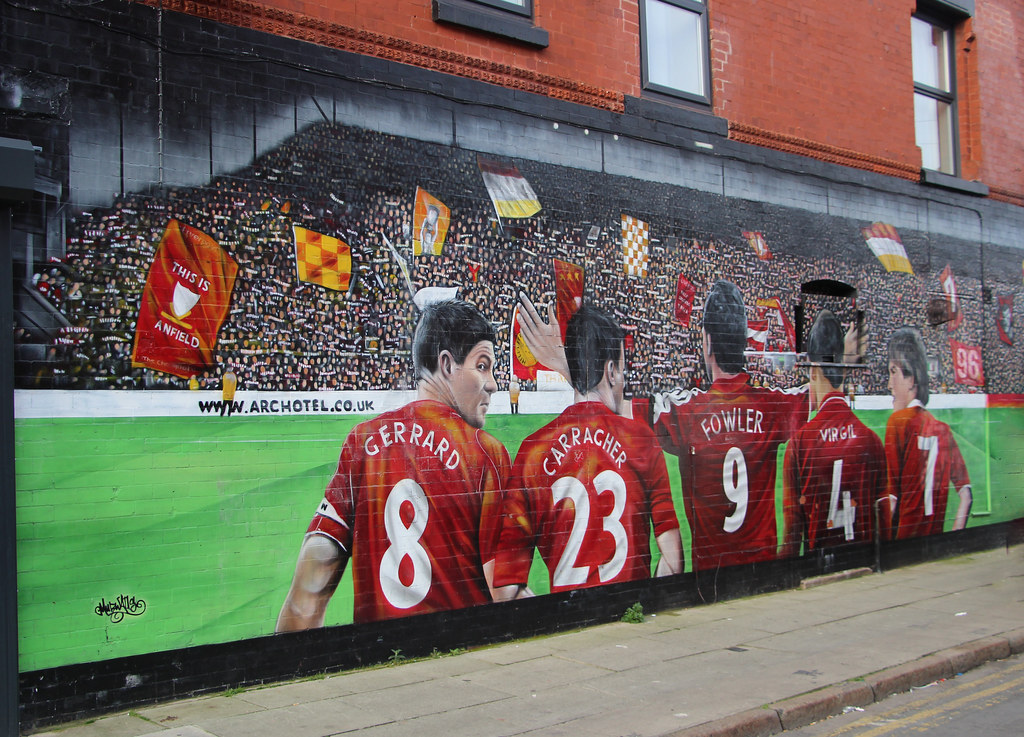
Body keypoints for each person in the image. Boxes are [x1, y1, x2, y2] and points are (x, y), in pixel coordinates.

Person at [276, 299, 510, 629]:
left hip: (376, 663)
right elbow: (503, 592)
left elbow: (308, 595)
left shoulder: (362, 442)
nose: (493, 384)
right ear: (446, 365)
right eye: (483, 365)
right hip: (460, 661)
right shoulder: (484, 454)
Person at [492, 304, 682, 600]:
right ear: (611, 371)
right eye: (622, 369)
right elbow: (673, 561)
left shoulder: (532, 452)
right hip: (631, 615)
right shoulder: (641, 440)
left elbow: (506, 587)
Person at [642, 280, 808, 571]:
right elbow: (815, 393)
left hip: (710, 583)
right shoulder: (772, 406)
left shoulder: (684, 412)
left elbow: (621, 405)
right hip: (764, 581)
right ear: (744, 342)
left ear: (706, 341)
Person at [781, 310, 885, 562]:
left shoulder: (799, 444)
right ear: (844, 366)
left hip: (819, 565)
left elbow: (792, 536)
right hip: (864, 567)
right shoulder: (871, 441)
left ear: (813, 370)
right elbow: (885, 522)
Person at [883, 327, 972, 539]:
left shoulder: (898, 423)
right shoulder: (943, 430)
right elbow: (966, 497)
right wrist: (954, 538)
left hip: (904, 546)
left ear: (911, 379)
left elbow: (891, 501)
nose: (889, 385)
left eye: (893, 372)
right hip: (934, 544)